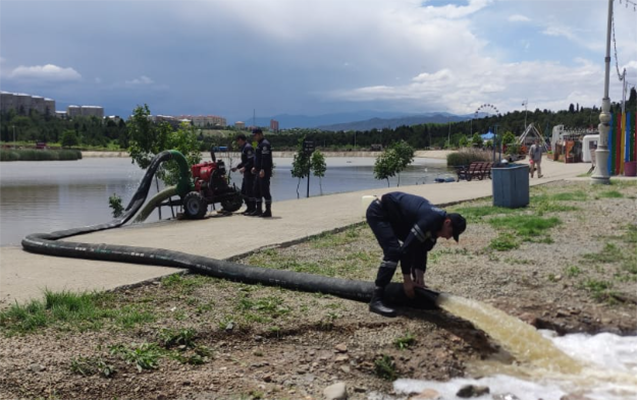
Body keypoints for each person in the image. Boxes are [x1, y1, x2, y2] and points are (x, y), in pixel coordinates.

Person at [366, 192, 466, 317]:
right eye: (451, 233)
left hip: (397, 216)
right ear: (447, 222)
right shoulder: (430, 219)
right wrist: (407, 280)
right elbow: (406, 250)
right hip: (379, 211)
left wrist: (420, 276)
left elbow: (421, 249)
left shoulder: (437, 225)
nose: (448, 238)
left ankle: (414, 286)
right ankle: (376, 299)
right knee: (393, 251)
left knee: (424, 243)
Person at [249, 128, 273, 217]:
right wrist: (255, 167)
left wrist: (263, 169)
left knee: (265, 191)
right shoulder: (259, 144)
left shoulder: (265, 144)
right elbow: (258, 158)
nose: (254, 137)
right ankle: (258, 209)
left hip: (264, 171)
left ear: (260, 134)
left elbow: (265, 158)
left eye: (255, 135)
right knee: (256, 190)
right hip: (258, 171)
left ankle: (268, 211)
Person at [231, 134, 255, 215]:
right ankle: (249, 208)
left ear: (240, 140)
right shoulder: (244, 148)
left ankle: (252, 208)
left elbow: (251, 160)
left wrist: (245, 168)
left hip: (250, 173)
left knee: (249, 191)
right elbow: (244, 162)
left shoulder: (248, 148)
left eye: (238, 141)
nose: (238, 143)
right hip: (246, 173)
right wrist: (237, 167)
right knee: (244, 191)